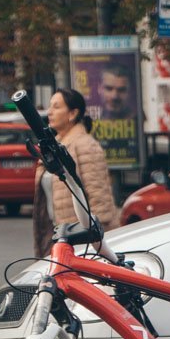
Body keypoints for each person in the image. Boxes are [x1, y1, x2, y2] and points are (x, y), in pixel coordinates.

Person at [33, 88, 120, 259]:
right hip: (59, 234)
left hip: (82, 242)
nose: (50, 112)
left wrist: (97, 243)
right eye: (50, 106)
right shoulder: (54, 147)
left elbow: (99, 200)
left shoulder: (85, 145)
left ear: (73, 113)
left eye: (56, 107)